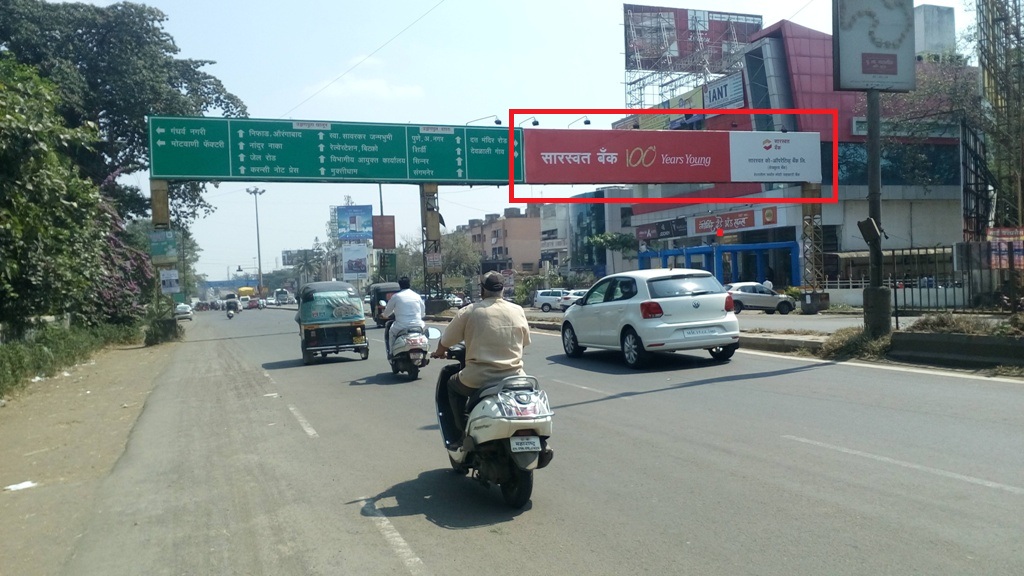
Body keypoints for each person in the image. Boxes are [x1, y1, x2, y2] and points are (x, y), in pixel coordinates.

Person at [431, 271, 531, 441]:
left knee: (452, 386)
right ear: (503, 289)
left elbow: (446, 340)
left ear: (482, 290)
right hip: (515, 378)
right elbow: (524, 342)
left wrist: (439, 353)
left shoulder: (470, 311)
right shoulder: (517, 310)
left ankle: (462, 433)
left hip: (478, 379)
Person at [382, 276, 425, 357]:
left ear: (400, 285)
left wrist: (384, 315)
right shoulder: (417, 296)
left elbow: (387, 312)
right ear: (409, 284)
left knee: (391, 332)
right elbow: (422, 313)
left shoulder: (396, 297)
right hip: (418, 325)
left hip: (401, 326)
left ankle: (391, 353)